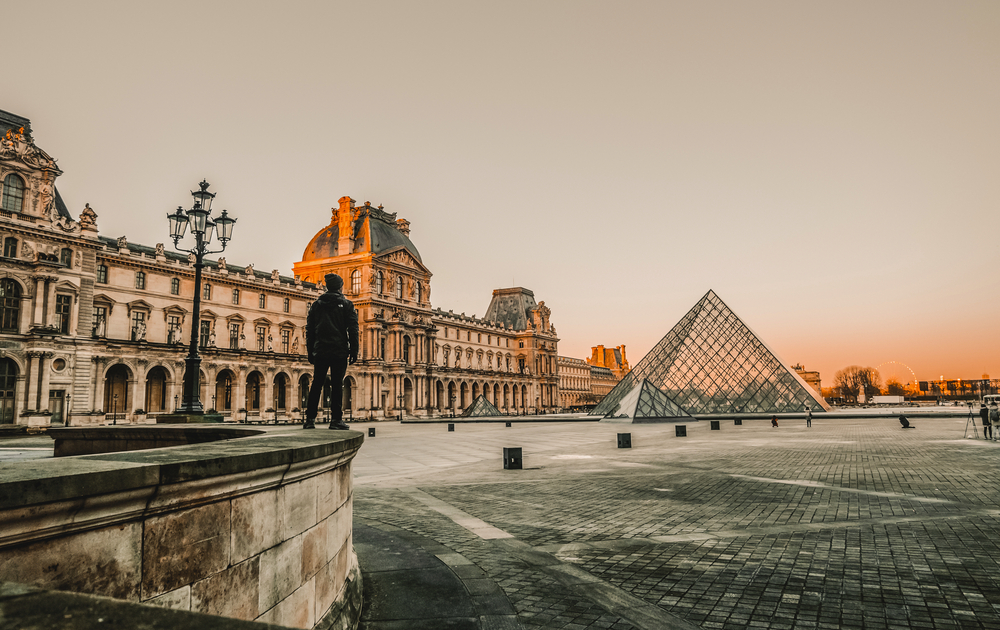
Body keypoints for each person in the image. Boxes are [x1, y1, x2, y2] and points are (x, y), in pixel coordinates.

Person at [304, 273, 359, 430]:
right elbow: (353, 329)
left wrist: (310, 350)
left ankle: (310, 419)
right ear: (340, 287)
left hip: (320, 349)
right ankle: (336, 420)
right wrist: (354, 350)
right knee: (337, 384)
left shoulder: (316, 305)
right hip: (339, 350)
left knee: (317, 384)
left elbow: (310, 330)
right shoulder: (347, 305)